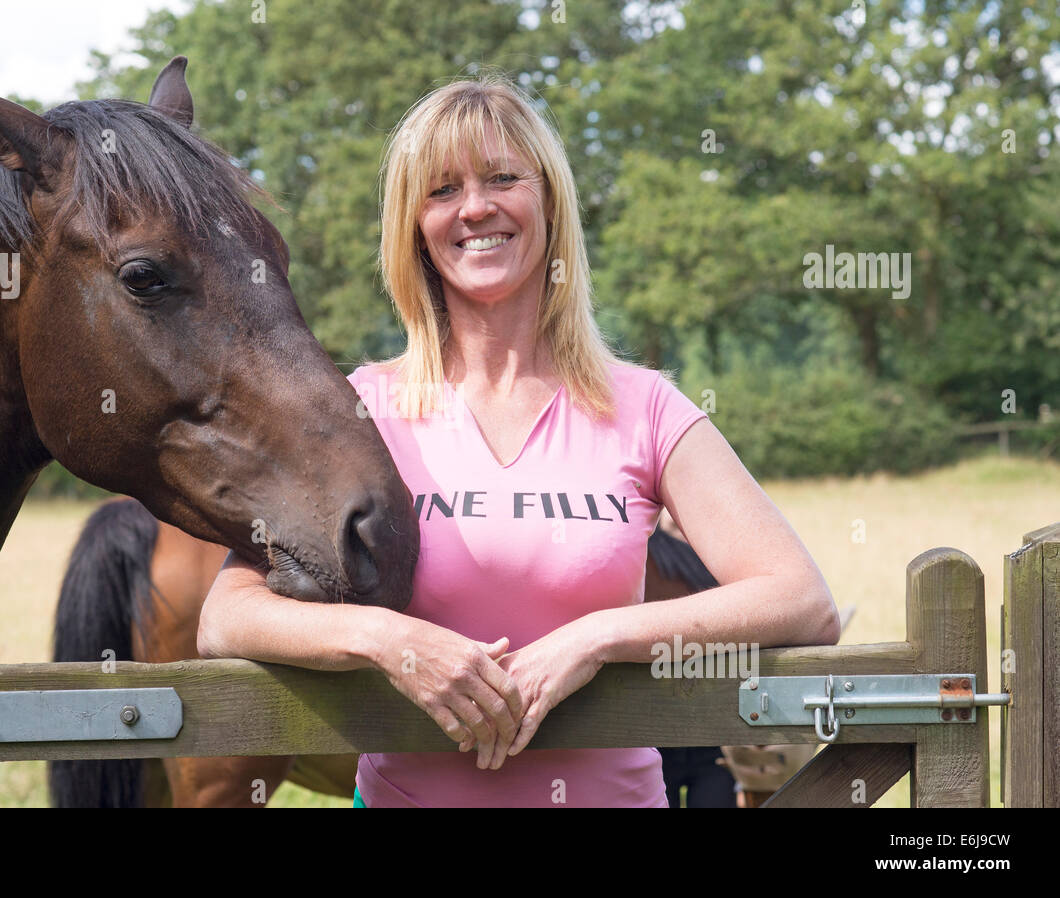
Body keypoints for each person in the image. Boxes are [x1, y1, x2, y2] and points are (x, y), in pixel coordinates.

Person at [197, 73, 840, 807]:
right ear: (414, 225)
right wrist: (388, 641)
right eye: (441, 190)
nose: (475, 207)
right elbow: (227, 616)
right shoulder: (360, 408)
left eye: (502, 177)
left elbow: (800, 599)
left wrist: (596, 638)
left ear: (550, 204)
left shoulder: (646, 407)